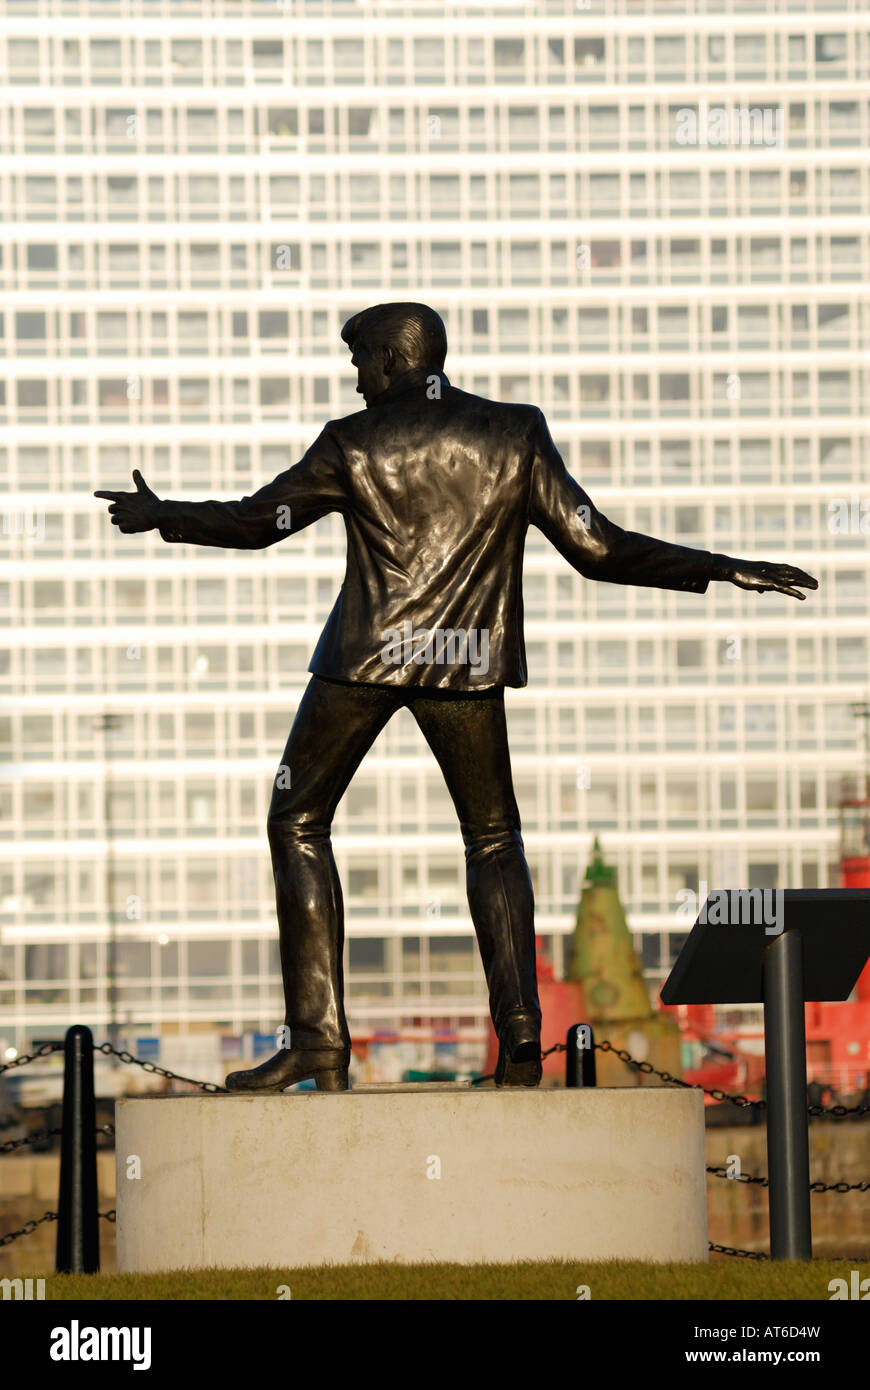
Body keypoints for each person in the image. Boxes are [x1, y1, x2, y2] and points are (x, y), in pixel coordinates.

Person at [95, 302, 818, 1091]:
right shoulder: (514, 433)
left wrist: (165, 515)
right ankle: (518, 1034)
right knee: (494, 840)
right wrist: (719, 565)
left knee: (297, 818)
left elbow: (257, 521)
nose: (354, 374)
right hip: (465, 661)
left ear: (395, 357)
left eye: (361, 357)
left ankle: (318, 1043)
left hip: (365, 657)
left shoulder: (351, 442)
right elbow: (599, 549)